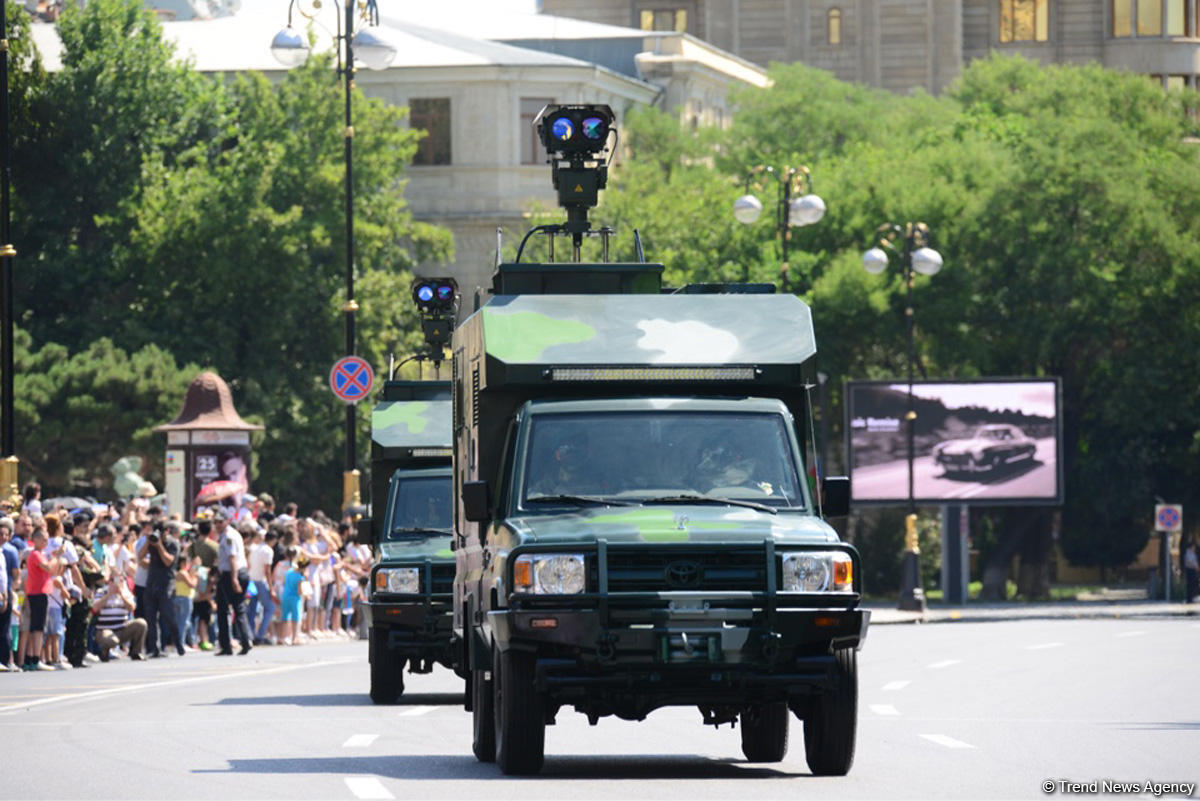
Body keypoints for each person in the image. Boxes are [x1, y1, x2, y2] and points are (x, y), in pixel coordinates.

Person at [141, 522, 184, 658]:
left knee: (168, 615)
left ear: (167, 531)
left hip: (166, 583)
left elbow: (168, 561)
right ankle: (154, 648)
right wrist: (148, 542)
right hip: (152, 582)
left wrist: (159, 546)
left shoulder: (173, 543)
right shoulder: (152, 542)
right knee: (151, 617)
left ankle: (178, 644)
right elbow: (140, 557)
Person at [214, 510, 252, 655]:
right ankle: (245, 639)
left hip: (231, 574)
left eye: (220, 522)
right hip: (235, 573)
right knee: (237, 607)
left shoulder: (229, 536)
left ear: (227, 521)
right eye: (216, 522)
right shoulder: (230, 534)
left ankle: (228, 645)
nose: (217, 525)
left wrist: (234, 579)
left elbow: (232, 558)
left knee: (226, 609)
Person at [22, 527, 59, 670]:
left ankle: (32, 658)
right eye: (43, 539)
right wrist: (56, 557)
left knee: (36, 627)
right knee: (38, 628)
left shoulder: (42, 554)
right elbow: (49, 568)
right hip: (38, 592)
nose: (45, 541)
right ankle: (35, 659)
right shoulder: (35, 554)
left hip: (40, 592)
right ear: (35, 540)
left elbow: (53, 570)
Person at [91, 571, 146, 661]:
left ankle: (136, 652)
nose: (115, 583)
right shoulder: (101, 592)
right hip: (105, 629)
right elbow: (95, 608)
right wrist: (109, 595)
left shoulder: (125, 592)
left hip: (122, 628)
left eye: (119, 580)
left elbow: (132, 607)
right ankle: (104, 651)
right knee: (111, 640)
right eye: (113, 580)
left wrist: (122, 595)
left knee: (141, 623)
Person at [0, 518, 18, 671]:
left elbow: (9, 576)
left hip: (5, 593)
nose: (3, 538)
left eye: (5, 535)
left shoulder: (8, 551)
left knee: (5, 627)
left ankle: (5, 660)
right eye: (0, 534)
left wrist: (6, 593)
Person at [1185, 536, 1199, 604]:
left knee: (1193, 585)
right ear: (1191, 546)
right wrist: (1196, 567)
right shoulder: (1189, 552)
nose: (1194, 548)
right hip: (1190, 571)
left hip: (1193, 570)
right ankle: (1189, 599)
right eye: (1194, 547)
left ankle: (1192, 598)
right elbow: (1190, 562)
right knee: (1191, 585)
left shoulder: (1192, 553)